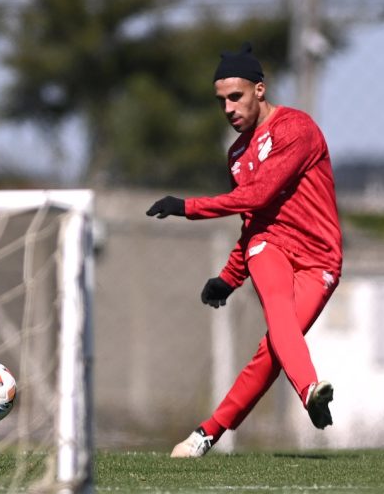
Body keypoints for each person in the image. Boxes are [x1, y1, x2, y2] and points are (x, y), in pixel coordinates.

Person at [146, 42, 343, 458]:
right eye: (221, 101)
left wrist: (186, 207)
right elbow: (253, 220)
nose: (229, 108)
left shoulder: (297, 129)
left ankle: (208, 431)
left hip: (319, 259)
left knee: (274, 348)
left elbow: (257, 195)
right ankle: (310, 389)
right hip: (268, 246)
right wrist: (230, 277)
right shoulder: (237, 154)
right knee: (277, 306)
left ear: (259, 90)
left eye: (235, 97)